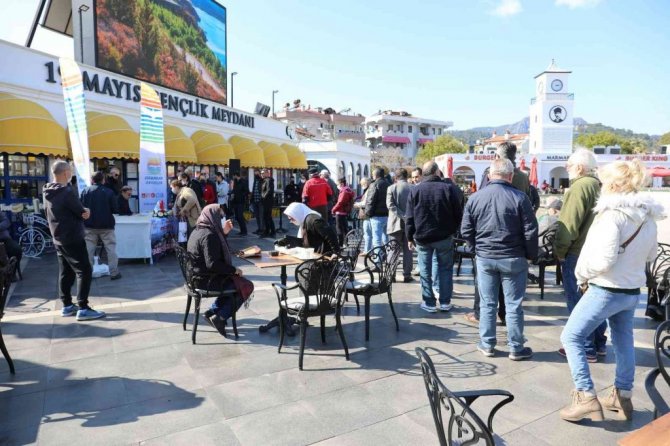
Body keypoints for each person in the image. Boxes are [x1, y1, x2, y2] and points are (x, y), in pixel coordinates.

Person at [559, 160, 662, 422]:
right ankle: (622, 395)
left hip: (605, 288)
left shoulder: (612, 216)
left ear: (614, 185)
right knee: (623, 340)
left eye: (604, 181)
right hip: (631, 290)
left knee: (571, 336)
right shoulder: (648, 218)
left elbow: (604, 260)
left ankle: (585, 396)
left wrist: (582, 272)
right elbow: (651, 255)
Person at [461, 158, 537, 360]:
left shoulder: (475, 198)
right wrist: (531, 255)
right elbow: (531, 231)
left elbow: (466, 229)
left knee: (488, 304)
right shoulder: (520, 197)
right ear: (510, 176)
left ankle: (487, 344)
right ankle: (516, 347)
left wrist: (475, 249)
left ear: (489, 175)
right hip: (513, 257)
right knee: (513, 305)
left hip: (485, 256)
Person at [467, 141, 530, 324]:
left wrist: (473, 247)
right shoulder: (523, 177)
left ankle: (480, 317)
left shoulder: (491, 173)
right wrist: (530, 253)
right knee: (512, 297)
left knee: (485, 292)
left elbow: (479, 202)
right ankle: (504, 317)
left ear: (497, 156)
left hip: (488, 237)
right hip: (514, 241)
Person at [554, 149, 607, 363]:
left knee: (578, 303)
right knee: (595, 302)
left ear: (579, 167)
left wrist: (560, 251)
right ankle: (599, 343)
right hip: (597, 252)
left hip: (577, 253)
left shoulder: (579, 187)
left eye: (568, 164)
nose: (566, 168)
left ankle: (585, 347)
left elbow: (568, 225)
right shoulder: (599, 185)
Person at [43, 161, 105, 321]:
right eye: (70, 171)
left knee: (66, 271)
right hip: (72, 237)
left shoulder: (47, 190)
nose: (71, 173)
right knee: (85, 270)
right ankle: (83, 308)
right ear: (65, 173)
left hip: (58, 237)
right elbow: (82, 212)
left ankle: (67, 305)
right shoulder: (66, 191)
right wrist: (86, 211)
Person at [406, 161, 463, 312]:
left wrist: (409, 237)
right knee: (445, 269)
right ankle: (445, 302)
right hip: (444, 236)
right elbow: (458, 213)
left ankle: (429, 302)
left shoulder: (416, 190)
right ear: (437, 172)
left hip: (422, 237)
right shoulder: (448, 188)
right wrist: (453, 230)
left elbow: (409, 217)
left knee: (425, 271)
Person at [187, 204, 245, 336]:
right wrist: (234, 270)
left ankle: (211, 312)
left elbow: (213, 251)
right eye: (219, 216)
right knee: (244, 286)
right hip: (206, 280)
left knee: (235, 282)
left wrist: (224, 233)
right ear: (212, 217)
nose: (221, 219)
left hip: (195, 277)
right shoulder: (209, 235)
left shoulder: (197, 230)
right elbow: (213, 264)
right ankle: (220, 317)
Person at [80, 171, 121, 280]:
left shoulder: (85, 191)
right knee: (111, 249)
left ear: (92, 180)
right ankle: (114, 272)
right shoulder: (109, 192)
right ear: (103, 180)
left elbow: (80, 208)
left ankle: (87, 274)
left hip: (89, 225)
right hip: (106, 225)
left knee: (88, 250)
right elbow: (115, 209)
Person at [386, 168, 412, 282]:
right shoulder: (413, 188)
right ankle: (407, 275)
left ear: (395, 177)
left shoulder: (391, 188)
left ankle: (391, 274)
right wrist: (406, 216)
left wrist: (401, 215)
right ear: (406, 176)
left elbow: (390, 205)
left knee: (393, 250)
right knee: (408, 250)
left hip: (394, 223)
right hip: (409, 223)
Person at [365, 168, 390, 249]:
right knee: (386, 239)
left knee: (377, 241)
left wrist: (368, 214)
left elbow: (370, 201)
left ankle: (378, 257)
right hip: (387, 215)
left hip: (376, 216)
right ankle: (389, 256)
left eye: (372, 175)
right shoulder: (389, 184)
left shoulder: (374, 184)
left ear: (375, 175)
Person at [332, 177, 355, 246]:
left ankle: (340, 243)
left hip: (340, 211)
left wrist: (333, 209)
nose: (337, 186)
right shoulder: (348, 190)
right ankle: (346, 242)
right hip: (345, 211)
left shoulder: (344, 191)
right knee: (345, 228)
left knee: (339, 228)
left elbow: (340, 202)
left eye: (337, 184)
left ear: (341, 184)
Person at [353, 177, 372, 253]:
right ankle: (369, 250)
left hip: (367, 214)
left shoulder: (368, 190)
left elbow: (365, 203)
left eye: (362, 184)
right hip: (368, 214)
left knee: (367, 234)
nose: (361, 186)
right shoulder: (368, 190)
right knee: (369, 234)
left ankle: (367, 250)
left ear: (365, 183)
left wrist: (356, 204)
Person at [229, 172, 248, 236]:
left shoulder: (243, 182)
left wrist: (241, 195)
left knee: (240, 216)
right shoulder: (235, 182)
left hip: (241, 202)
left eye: (233, 176)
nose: (233, 177)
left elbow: (246, 191)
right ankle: (241, 231)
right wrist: (231, 193)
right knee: (237, 217)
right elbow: (234, 190)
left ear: (236, 175)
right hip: (235, 202)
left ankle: (244, 231)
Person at [261, 169, 276, 238]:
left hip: (268, 202)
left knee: (268, 217)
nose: (262, 174)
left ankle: (272, 232)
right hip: (265, 201)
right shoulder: (264, 180)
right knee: (266, 217)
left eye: (263, 173)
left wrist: (263, 196)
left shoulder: (269, 180)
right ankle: (268, 231)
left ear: (267, 173)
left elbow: (269, 190)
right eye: (261, 173)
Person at [251, 170, 265, 235]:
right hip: (255, 200)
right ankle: (259, 228)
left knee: (261, 216)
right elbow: (254, 189)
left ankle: (262, 229)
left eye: (257, 174)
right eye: (255, 174)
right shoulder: (255, 181)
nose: (256, 175)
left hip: (260, 201)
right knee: (257, 216)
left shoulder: (262, 180)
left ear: (259, 174)